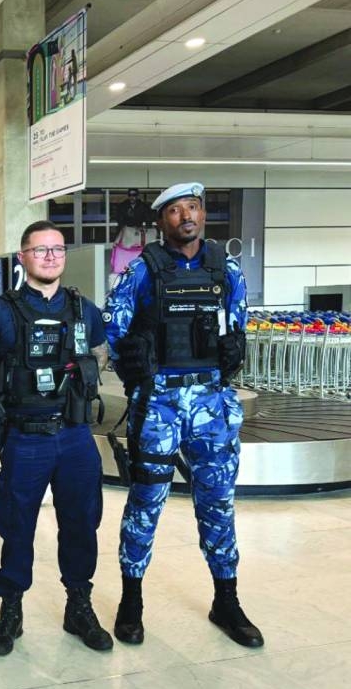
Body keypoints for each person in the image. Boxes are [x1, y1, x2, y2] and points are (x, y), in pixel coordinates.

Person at [104, 182, 262, 648]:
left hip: (211, 402)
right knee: (144, 504)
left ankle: (227, 601)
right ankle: (131, 601)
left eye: (192, 207)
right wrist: (140, 382)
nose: (185, 217)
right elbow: (116, 331)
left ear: (203, 214)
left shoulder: (226, 269)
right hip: (160, 404)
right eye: (174, 211)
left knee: (217, 503)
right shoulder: (141, 271)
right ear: (161, 222)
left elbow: (238, 325)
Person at [0, 220, 113, 655]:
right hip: (25, 438)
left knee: (82, 522)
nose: (50, 257)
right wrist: (6, 389)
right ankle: (11, 609)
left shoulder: (85, 309)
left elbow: (100, 359)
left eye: (57, 249)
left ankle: (79, 606)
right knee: (17, 525)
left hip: (74, 437)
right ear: (23, 257)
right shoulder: (0, 312)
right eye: (40, 250)